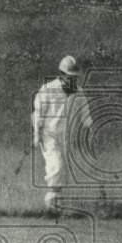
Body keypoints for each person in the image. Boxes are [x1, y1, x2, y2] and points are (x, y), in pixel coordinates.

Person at [32, 55, 93, 212]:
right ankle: (51, 205)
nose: (73, 80)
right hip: (49, 135)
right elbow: (38, 113)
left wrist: (89, 129)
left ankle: (58, 205)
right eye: (70, 77)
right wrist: (36, 134)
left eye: (75, 77)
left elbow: (85, 114)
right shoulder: (48, 90)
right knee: (56, 166)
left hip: (67, 137)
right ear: (61, 75)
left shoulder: (79, 93)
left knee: (64, 170)